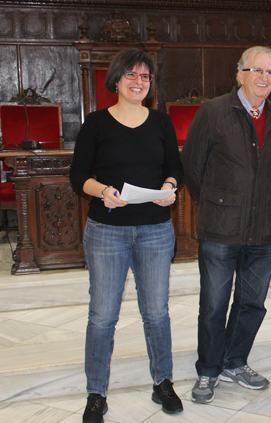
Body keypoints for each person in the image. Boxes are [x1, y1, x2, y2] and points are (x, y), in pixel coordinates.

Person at [69, 48, 184, 423]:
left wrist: (168, 187)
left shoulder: (161, 122)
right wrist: (103, 191)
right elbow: (78, 175)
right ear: (116, 79)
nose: (139, 82)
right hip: (107, 232)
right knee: (103, 316)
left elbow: (174, 168)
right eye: (131, 75)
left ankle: (162, 382)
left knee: (156, 313)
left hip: (155, 230)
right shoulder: (96, 123)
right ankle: (96, 393)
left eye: (145, 76)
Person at [181, 46, 271, 404]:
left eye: (270, 72)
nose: (263, 77)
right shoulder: (213, 112)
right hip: (220, 228)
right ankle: (208, 369)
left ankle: (235, 361)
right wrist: (220, 202)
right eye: (256, 70)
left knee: (252, 303)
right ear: (239, 74)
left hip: (264, 229)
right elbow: (193, 167)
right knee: (214, 305)